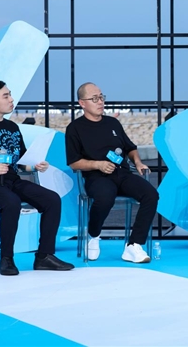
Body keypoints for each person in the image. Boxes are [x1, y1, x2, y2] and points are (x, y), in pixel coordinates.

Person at [0, 80, 74, 276]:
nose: (11, 99)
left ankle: (44, 256)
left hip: (11, 180)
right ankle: (6, 259)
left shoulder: (12, 127)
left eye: (10, 94)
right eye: (6, 96)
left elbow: (20, 161)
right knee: (11, 202)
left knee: (51, 199)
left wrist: (35, 165)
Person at [65, 82, 159, 263]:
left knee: (151, 195)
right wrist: (98, 165)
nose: (100, 102)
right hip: (96, 177)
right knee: (105, 197)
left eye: (101, 97)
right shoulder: (75, 128)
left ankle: (133, 245)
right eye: (94, 99)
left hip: (122, 173)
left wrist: (138, 162)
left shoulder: (112, 123)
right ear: (82, 103)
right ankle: (93, 235)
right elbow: (74, 163)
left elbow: (130, 148)